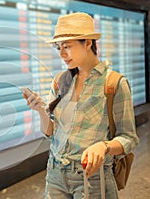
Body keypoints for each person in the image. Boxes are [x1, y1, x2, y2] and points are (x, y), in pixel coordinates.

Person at [24, 12, 139, 198]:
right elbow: (50, 133)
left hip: (91, 178)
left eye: (67, 46)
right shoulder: (60, 81)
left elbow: (129, 138)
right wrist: (40, 111)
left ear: (88, 43)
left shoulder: (114, 83)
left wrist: (104, 147)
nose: (62, 54)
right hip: (55, 174)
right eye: (58, 47)